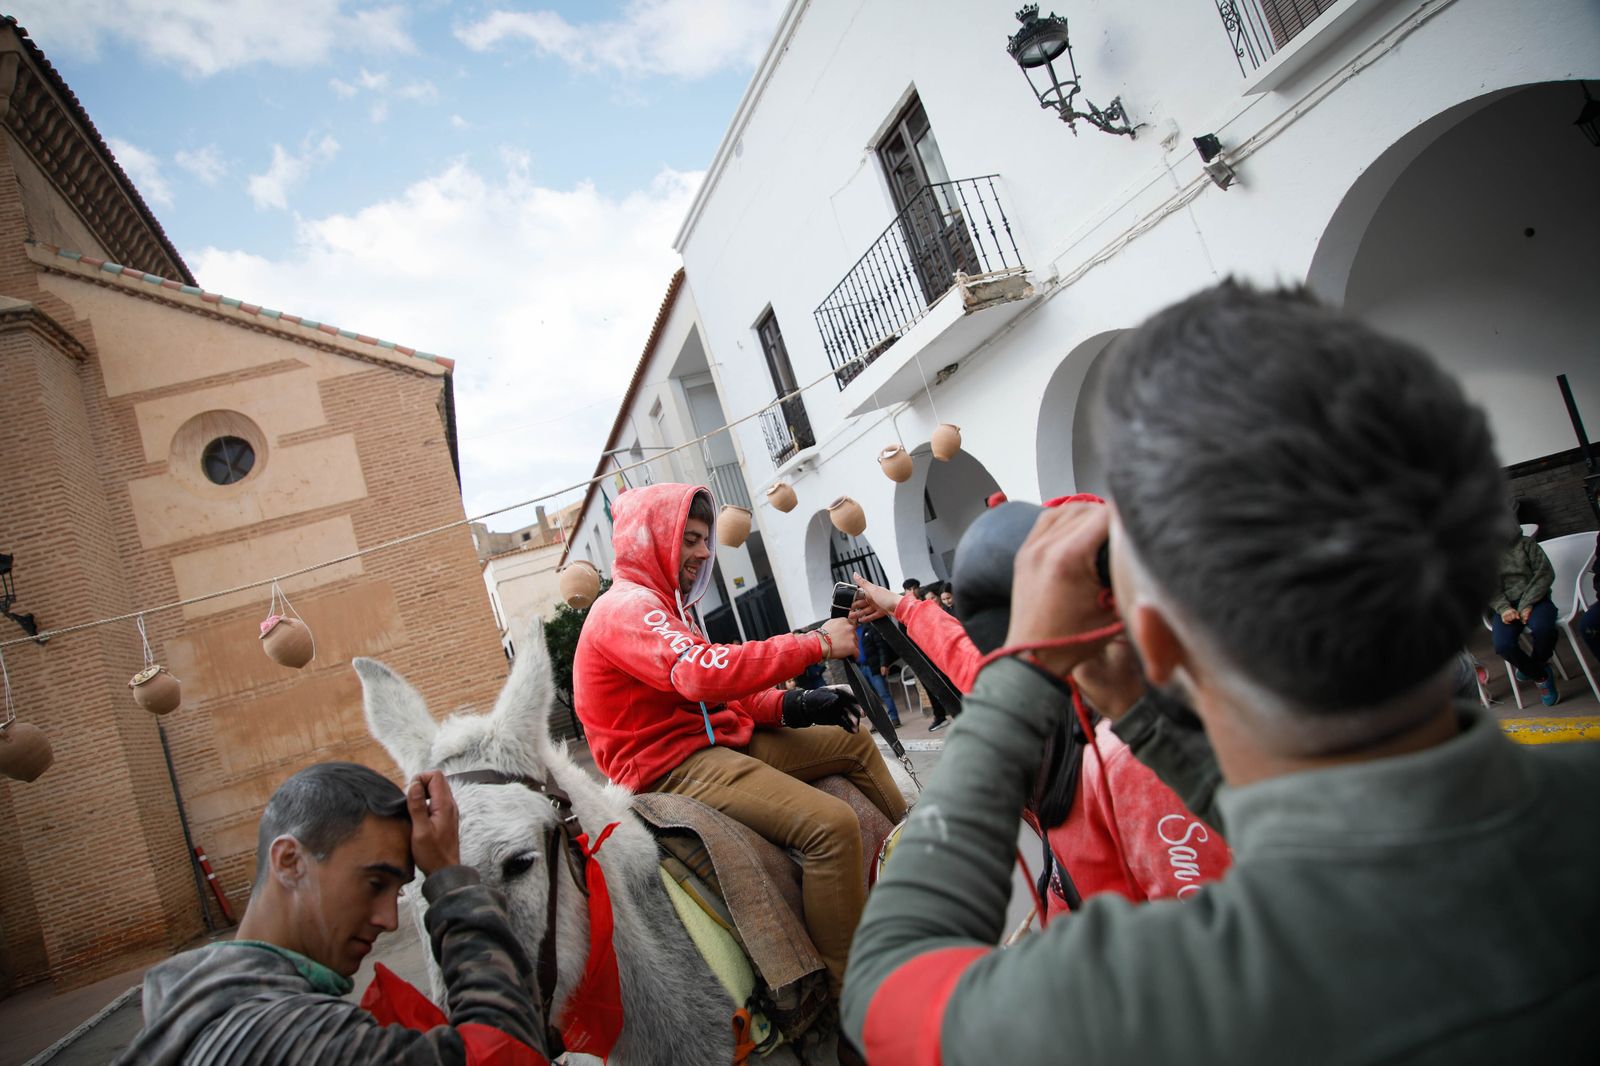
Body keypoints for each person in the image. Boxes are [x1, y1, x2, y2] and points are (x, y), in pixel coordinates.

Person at [841, 283, 1600, 1062]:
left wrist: (1021, 673)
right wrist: (1138, 713)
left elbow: (886, 990)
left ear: (1155, 640)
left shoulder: (1166, 993)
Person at [572, 484, 909, 995]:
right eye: (689, 539)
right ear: (655, 539)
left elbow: (725, 693)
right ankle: (851, 999)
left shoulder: (669, 607)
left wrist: (794, 704)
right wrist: (816, 643)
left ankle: (914, 858)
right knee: (831, 826)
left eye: (704, 540)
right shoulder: (626, 609)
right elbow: (702, 673)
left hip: (715, 742)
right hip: (670, 768)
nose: (703, 551)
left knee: (855, 741)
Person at [117, 763, 549, 1064]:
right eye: (374, 883)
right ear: (289, 861)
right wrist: (451, 881)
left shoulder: (194, 1008)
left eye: (397, 892)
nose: (389, 920)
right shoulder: (294, 1039)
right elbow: (503, 1054)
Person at [850, 572, 1229, 913]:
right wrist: (900, 606)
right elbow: (962, 656)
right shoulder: (1036, 694)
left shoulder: (1135, 764)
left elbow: (1205, 931)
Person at [1490, 528, 1560, 706]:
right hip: (1506, 607)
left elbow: (1545, 574)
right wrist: (1504, 609)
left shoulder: (1526, 543)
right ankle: (1540, 675)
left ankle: (1534, 664)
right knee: (1503, 645)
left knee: (1544, 629)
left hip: (1537, 600)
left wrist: (1527, 604)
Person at [857, 621, 902, 727]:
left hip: (873, 667)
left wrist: (883, 664)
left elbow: (881, 647)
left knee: (883, 694)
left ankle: (894, 718)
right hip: (860, 669)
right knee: (869, 698)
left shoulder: (868, 628)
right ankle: (877, 723)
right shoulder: (849, 633)